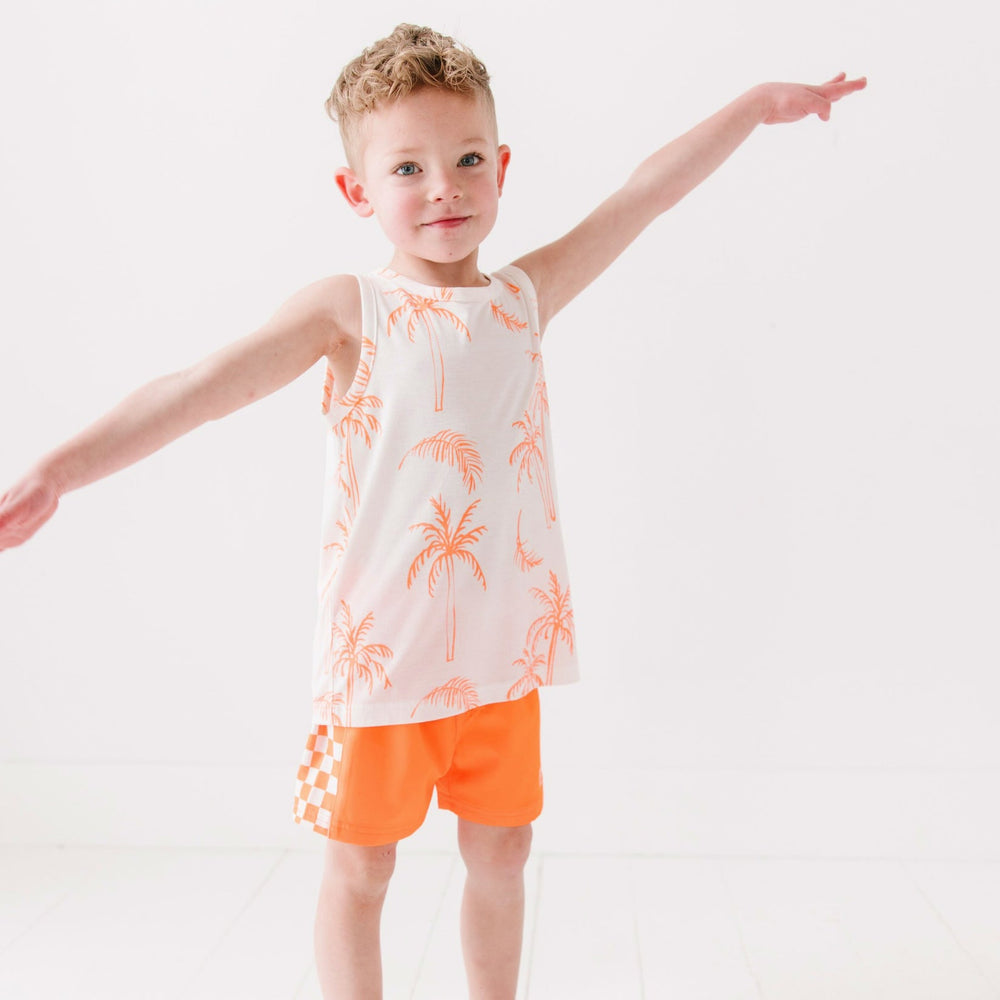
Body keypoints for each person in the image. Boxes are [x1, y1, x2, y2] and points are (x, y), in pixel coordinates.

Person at [0, 22, 865, 1000]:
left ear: (499, 168)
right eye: (406, 167)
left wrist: (753, 105)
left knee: (501, 854)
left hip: (502, 657)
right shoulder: (350, 311)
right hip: (381, 664)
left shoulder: (524, 297)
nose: (443, 186)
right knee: (361, 868)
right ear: (357, 192)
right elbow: (201, 386)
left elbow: (643, 195)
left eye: (464, 160)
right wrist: (61, 469)